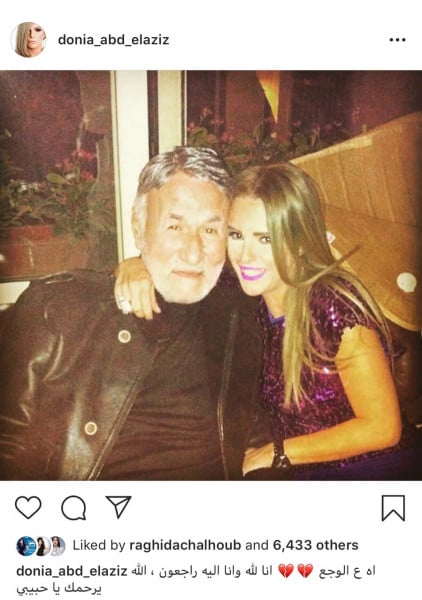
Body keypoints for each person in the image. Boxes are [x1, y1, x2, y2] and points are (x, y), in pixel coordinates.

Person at [116, 161, 422, 479]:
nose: (245, 256)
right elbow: (181, 271)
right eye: (236, 235)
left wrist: (276, 453)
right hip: (295, 474)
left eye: (265, 239)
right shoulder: (240, 291)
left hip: (375, 470)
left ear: (300, 240)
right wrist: (136, 266)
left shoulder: (334, 307)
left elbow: (382, 428)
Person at [0, 147, 265, 480]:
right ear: (139, 228)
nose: (193, 252)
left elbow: (256, 435)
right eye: (175, 226)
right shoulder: (56, 308)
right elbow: (10, 446)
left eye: (210, 230)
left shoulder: (239, 317)